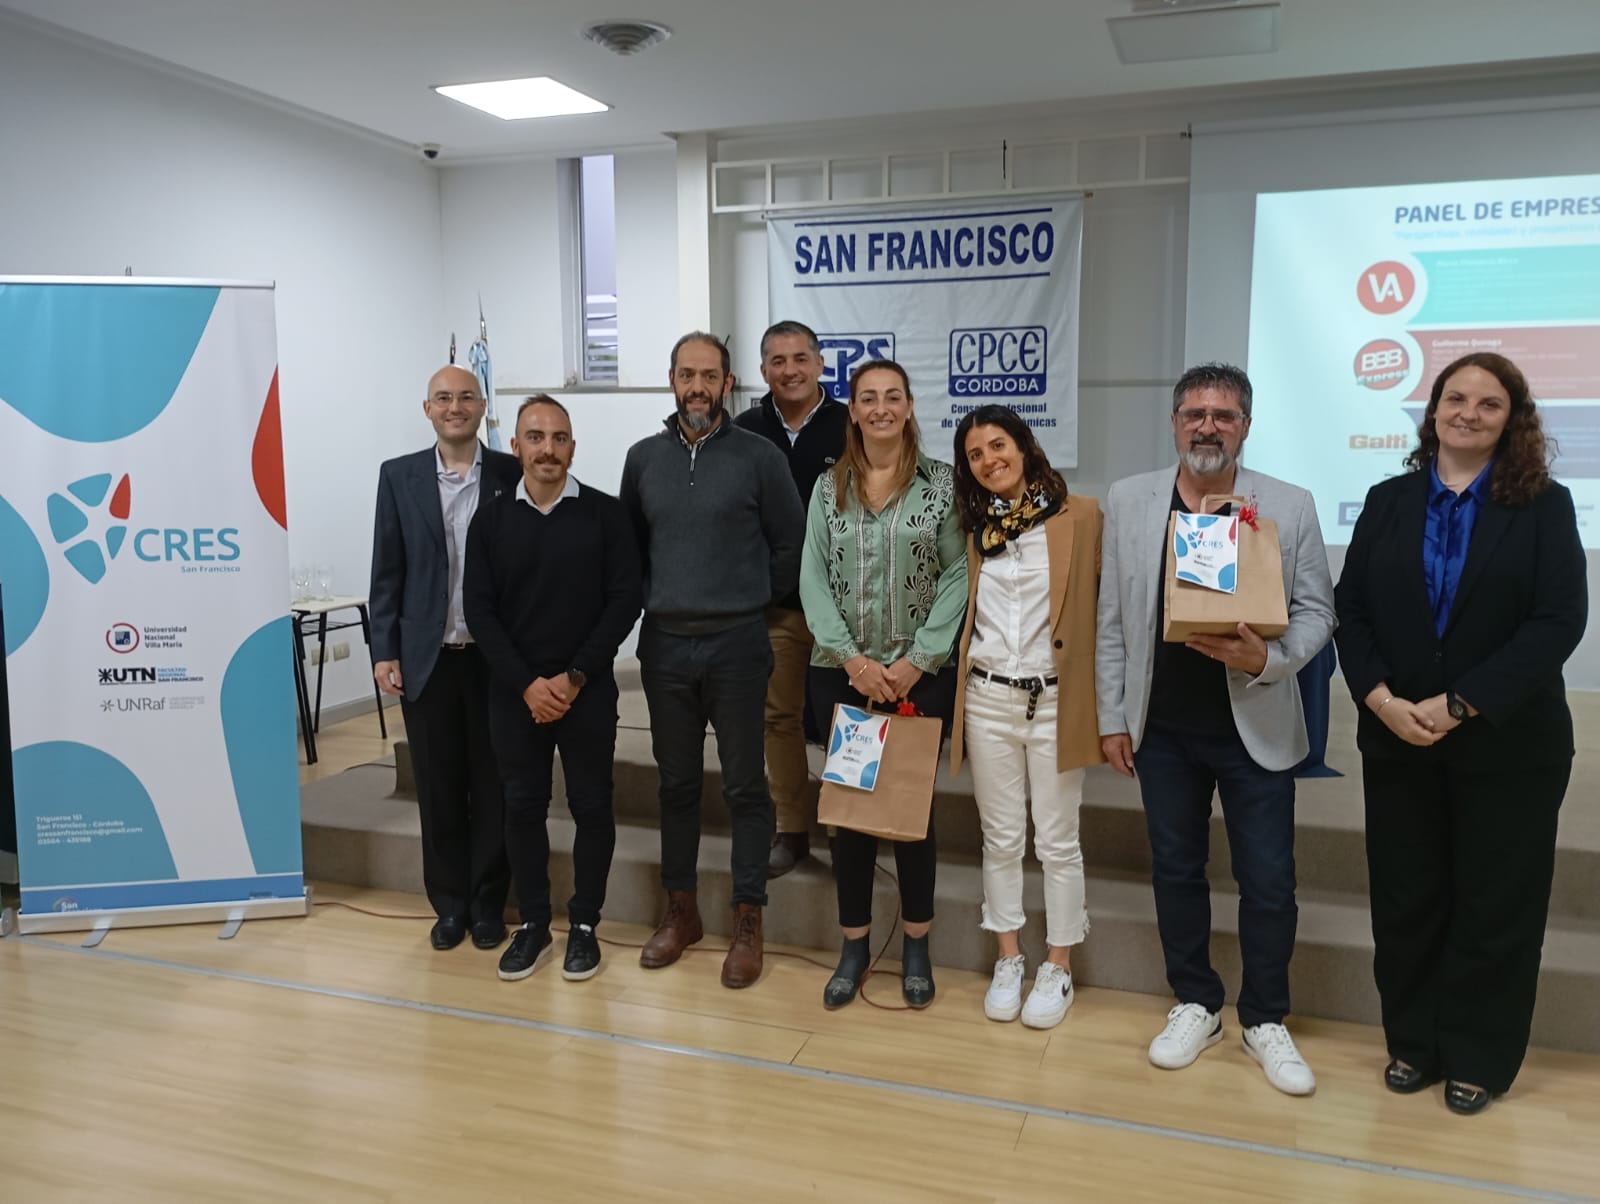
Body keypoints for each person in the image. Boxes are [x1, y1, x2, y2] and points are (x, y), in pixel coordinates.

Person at [1334, 352, 1586, 1114]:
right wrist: (1379, 700)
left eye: (1489, 402)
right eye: (1455, 397)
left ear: (1514, 420)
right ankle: (1415, 1042)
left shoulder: (1545, 505)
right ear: (1434, 409)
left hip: (1508, 745)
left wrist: (1462, 703)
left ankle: (1479, 1055)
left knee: (1495, 904)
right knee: (1408, 899)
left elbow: (1558, 622)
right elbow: (1353, 612)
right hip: (1398, 736)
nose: (1469, 412)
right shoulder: (1386, 500)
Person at [1095, 362, 1334, 1096]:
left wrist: (1271, 657)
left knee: (1268, 881)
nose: (1207, 426)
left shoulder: (1287, 506)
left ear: (1245, 426)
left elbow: (1319, 613)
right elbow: (1111, 617)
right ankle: (1196, 1001)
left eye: (1223, 415)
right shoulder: (1131, 499)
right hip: (1161, 728)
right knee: (1176, 870)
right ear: (1174, 423)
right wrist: (1112, 716)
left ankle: (1265, 1017)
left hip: (1253, 723)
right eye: (1195, 413)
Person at [619, 332, 805, 989]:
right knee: (674, 785)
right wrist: (659, 602)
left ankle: (747, 919)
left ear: (729, 383)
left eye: (709, 375)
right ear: (670, 380)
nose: (697, 386)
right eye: (686, 374)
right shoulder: (642, 459)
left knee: (744, 786)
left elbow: (791, 543)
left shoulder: (758, 458)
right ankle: (681, 912)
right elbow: (632, 551)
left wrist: (749, 599)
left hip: (737, 644)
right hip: (665, 644)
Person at [799, 359, 966, 1010]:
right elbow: (812, 576)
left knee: (909, 819)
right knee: (853, 821)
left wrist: (917, 661)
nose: (880, 408)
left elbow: (958, 576)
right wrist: (852, 662)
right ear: (853, 411)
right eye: (867, 398)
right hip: (843, 680)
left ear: (909, 405)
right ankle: (855, 943)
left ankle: (918, 944)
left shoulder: (943, 487)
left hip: (916, 679)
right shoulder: (827, 488)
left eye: (892, 396)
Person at [463, 396, 642, 983]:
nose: (547, 448)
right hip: (515, 696)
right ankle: (534, 923)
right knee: (522, 807)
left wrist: (572, 678)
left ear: (572, 446)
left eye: (559, 437)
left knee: (592, 806)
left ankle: (584, 923)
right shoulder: (489, 521)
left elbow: (624, 603)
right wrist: (527, 684)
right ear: (514, 447)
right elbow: (480, 613)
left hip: (584, 691)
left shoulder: (607, 516)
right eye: (534, 437)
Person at [948, 405, 1103, 1030]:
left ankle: (1059, 963)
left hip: (1056, 700)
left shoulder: (1081, 516)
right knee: (1002, 838)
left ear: (1024, 445)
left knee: (1058, 838)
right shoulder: (971, 527)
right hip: (987, 696)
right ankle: (1009, 956)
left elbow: (1106, 609)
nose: (990, 460)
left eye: (998, 445)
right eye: (976, 454)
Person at [370, 364, 520, 951]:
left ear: (482, 406)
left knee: (493, 784)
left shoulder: (511, 472)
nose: (455, 406)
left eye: (465, 397)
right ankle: (450, 905)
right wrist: (384, 648)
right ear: (426, 409)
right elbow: (388, 569)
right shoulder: (398, 476)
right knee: (437, 786)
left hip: (494, 658)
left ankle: (488, 903)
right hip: (426, 656)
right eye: (443, 398)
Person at [734, 320, 850, 878]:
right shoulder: (745, 430)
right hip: (777, 605)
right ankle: (791, 829)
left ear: (820, 364)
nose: (790, 370)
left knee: (843, 720)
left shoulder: (852, 424)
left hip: (847, 611)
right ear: (763, 371)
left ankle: (848, 826)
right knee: (778, 719)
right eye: (778, 361)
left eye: (800, 358)